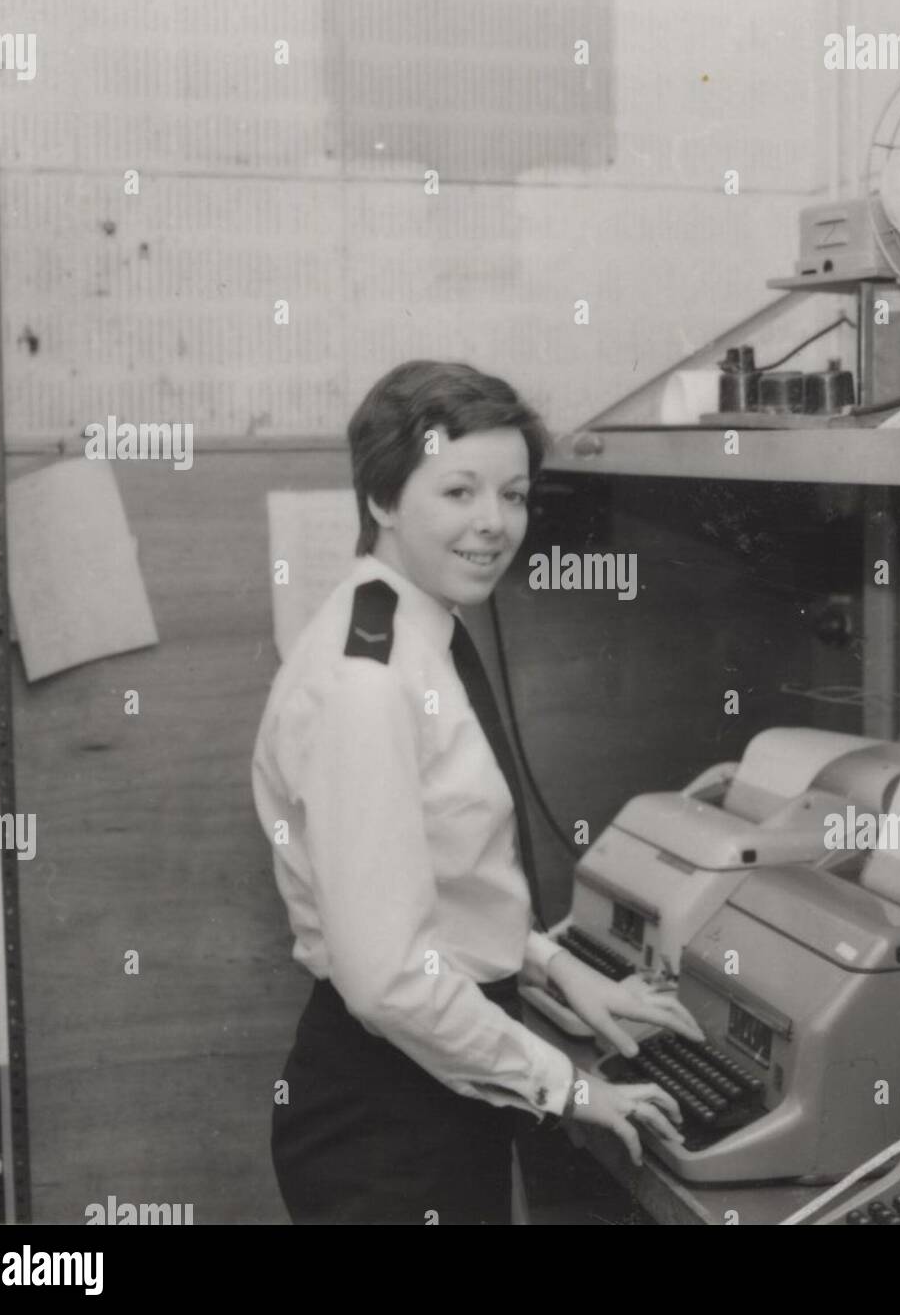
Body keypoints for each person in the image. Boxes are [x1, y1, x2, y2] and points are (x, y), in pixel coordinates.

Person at [253, 360, 704, 1224]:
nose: (495, 524)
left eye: (514, 494)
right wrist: (568, 1087)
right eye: (458, 492)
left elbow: (442, 883)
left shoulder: (419, 630)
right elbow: (389, 979)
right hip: (387, 1113)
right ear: (382, 500)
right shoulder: (369, 683)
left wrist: (565, 971)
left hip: (434, 1077)